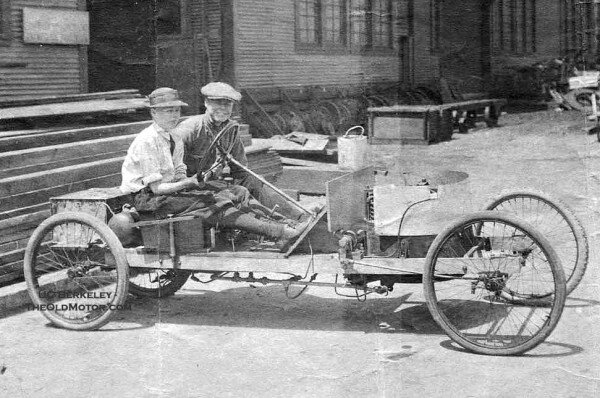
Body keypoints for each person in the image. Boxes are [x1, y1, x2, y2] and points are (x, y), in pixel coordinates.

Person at [119, 87, 309, 250]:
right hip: (149, 199)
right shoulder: (150, 140)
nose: (174, 116)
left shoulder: (173, 137)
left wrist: (194, 180)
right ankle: (278, 233)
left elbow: (179, 171)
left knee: (239, 191)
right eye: (168, 111)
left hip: (172, 190)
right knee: (215, 202)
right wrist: (190, 182)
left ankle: (286, 222)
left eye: (176, 111)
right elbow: (157, 188)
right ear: (153, 113)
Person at [173, 82, 306, 220]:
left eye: (228, 104)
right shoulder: (189, 130)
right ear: (206, 103)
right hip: (190, 189)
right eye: (218, 103)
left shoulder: (230, 130)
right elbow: (171, 172)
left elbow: (240, 170)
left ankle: (298, 217)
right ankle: (276, 223)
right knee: (237, 193)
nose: (223, 108)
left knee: (251, 180)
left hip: (213, 183)